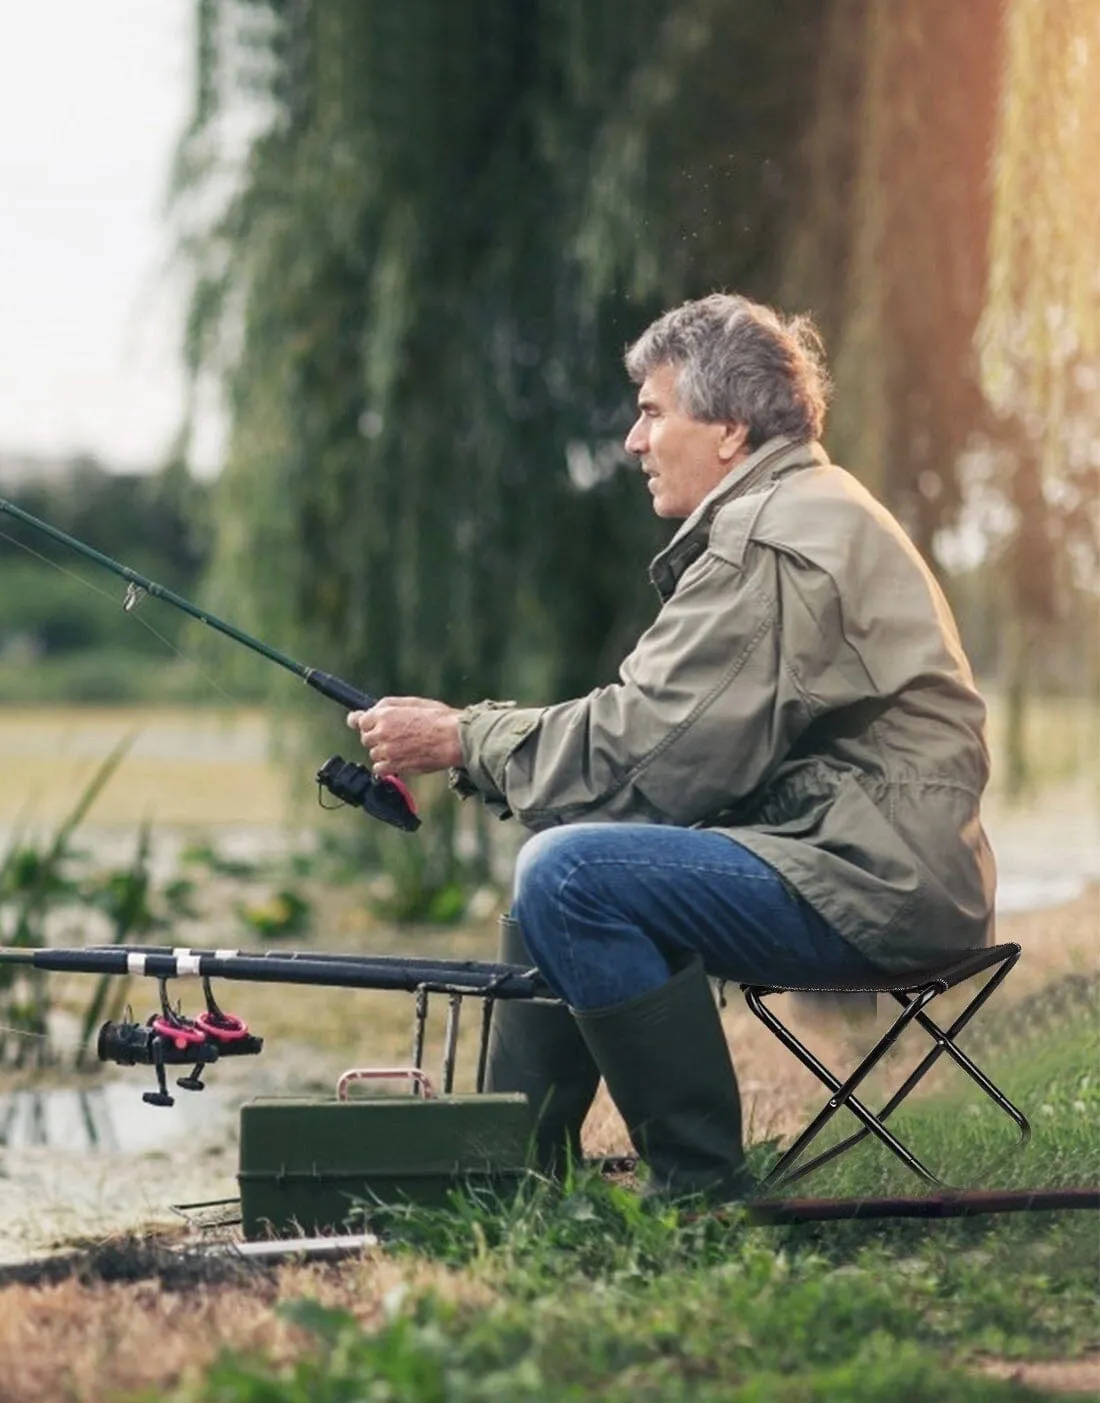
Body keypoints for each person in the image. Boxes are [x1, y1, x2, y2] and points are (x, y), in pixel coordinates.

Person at [348, 293, 995, 1199]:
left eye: (653, 412)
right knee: (561, 870)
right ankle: (505, 1178)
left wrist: (464, 737)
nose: (632, 441)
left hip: (872, 887)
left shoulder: (769, 542)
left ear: (730, 429)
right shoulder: (802, 508)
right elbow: (668, 759)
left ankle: (700, 1187)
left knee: (569, 873)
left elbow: (646, 755)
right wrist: (486, 749)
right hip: (874, 868)